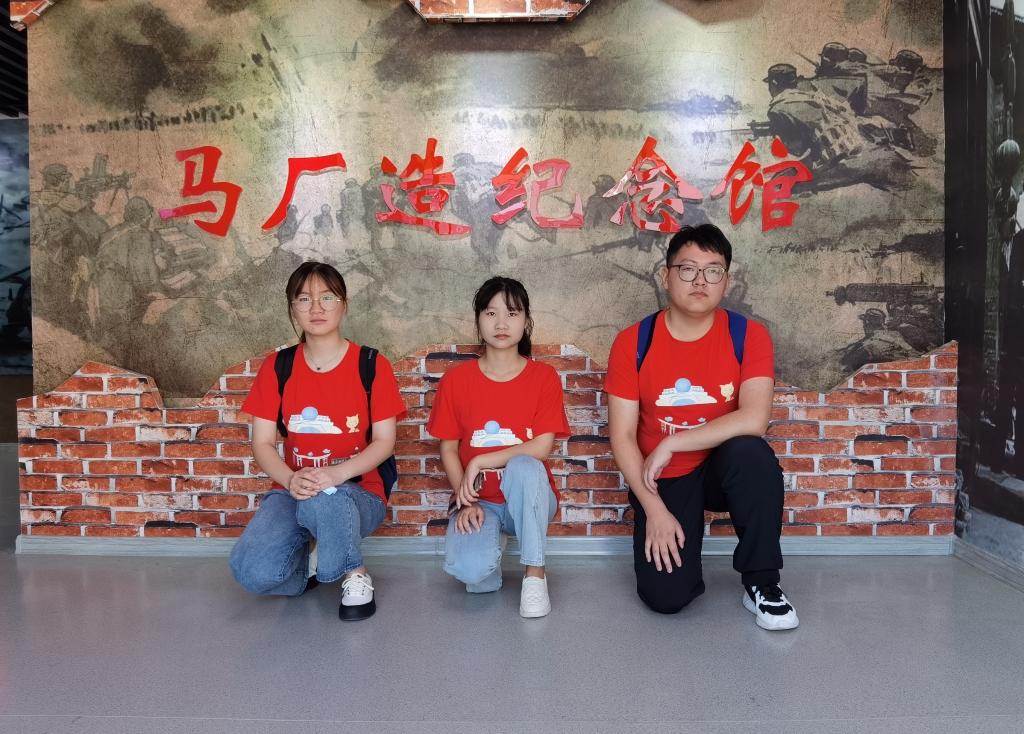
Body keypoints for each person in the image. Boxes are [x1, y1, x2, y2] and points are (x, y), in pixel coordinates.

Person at [604, 224, 798, 631]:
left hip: (722, 470)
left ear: (726, 281)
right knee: (666, 598)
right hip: (664, 478)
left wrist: (673, 442)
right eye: (688, 269)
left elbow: (755, 418)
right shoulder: (634, 342)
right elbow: (621, 437)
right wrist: (654, 509)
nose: (700, 281)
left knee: (751, 453)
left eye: (713, 271)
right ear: (666, 276)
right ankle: (678, 537)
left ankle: (762, 582)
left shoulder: (748, 335)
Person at [230, 261, 406, 620]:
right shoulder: (278, 367)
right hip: (295, 489)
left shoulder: (371, 364)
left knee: (328, 497)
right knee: (251, 572)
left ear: (344, 305)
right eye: (304, 299)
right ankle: (313, 559)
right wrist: (290, 479)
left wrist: (336, 475)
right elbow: (262, 443)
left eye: (327, 297)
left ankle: (355, 573)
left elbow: (384, 441)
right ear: (292, 308)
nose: (316, 308)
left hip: (357, 492)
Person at [427, 276, 570, 618]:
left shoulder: (543, 377)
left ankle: (535, 573)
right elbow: (449, 449)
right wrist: (466, 501)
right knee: (475, 576)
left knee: (524, 465)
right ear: (478, 320)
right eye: (491, 314)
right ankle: (494, 538)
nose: (501, 324)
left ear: (526, 321)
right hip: (482, 502)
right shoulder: (456, 380)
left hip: (531, 497)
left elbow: (542, 447)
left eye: (512, 313)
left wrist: (481, 461)